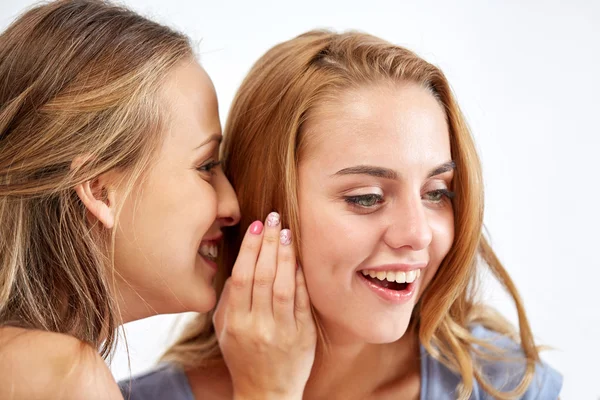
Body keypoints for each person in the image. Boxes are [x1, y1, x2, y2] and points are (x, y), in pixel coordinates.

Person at [122, 30, 562, 399]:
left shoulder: (503, 384)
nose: (417, 235)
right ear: (264, 203)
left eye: (436, 193)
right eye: (367, 197)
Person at [0, 1, 315, 399]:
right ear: (101, 192)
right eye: (206, 166)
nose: (232, 205)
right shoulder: (64, 379)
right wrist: (268, 390)